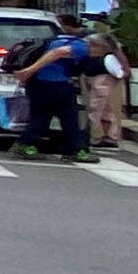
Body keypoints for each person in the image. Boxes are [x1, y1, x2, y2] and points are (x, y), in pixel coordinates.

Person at [17, 9, 90, 162]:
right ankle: (75, 150)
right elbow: (57, 54)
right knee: (69, 118)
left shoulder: (52, 40)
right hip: (57, 84)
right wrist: (30, 70)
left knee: (41, 116)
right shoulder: (81, 46)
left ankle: (24, 144)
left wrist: (29, 74)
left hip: (38, 83)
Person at [85, 19, 128, 147]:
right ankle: (105, 135)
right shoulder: (98, 57)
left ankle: (104, 135)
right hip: (97, 81)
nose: (89, 48)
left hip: (103, 82)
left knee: (100, 109)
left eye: (92, 45)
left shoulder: (107, 59)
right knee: (102, 109)